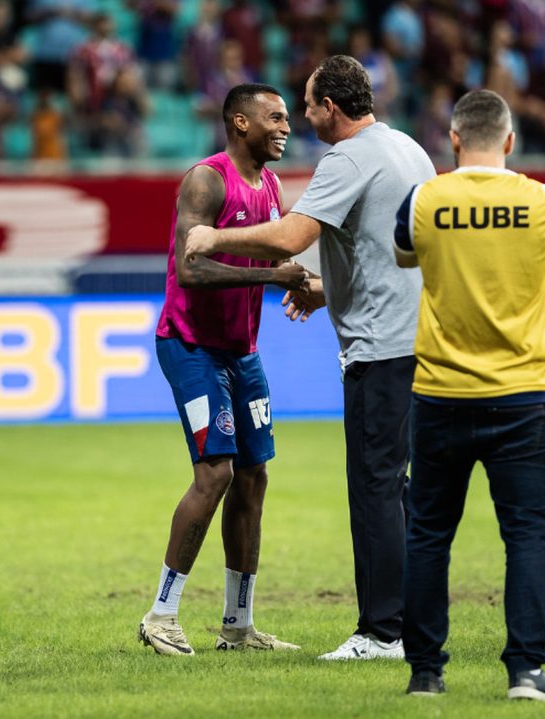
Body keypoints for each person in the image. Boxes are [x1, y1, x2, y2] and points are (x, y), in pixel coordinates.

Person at [185, 55, 436, 661]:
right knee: (398, 489)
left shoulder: (348, 158)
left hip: (379, 349)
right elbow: (395, 246)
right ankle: (414, 621)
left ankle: (381, 633)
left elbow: (292, 235)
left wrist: (215, 236)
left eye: (306, 104)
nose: (299, 116)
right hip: (421, 340)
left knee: (374, 490)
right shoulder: (409, 149)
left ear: (330, 106)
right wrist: (330, 290)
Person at [392, 89, 545, 700]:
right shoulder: (543, 201)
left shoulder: (424, 199)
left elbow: (405, 255)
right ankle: (526, 671)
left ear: (454, 139)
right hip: (525, 393)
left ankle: (425, 674)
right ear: (510, 140)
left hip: (440, 392)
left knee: (428, 535)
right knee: (527, 535)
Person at [138, 82, 308, 657]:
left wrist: (306, 282)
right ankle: (161, 615)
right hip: (190, 346)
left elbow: (278, 253)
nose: (286, 127)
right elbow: (191, 270)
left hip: (242, 350)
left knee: (254, 476)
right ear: (240, 122)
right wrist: (272, 277)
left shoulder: (270, 185)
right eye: (275, 117)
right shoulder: (206, 180)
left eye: (287, 118)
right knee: (215, 474)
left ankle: (238, 625)